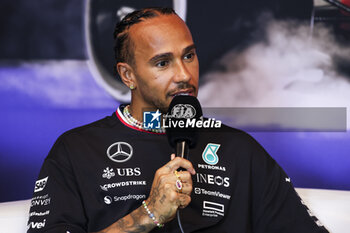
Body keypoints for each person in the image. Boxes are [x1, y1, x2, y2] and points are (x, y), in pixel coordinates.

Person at [27, 7, 329, 233]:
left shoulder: (240, 150)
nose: (184, 75)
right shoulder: (76, 149)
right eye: (162, 63)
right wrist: (149, 212)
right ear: (127, 75)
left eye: (189, 56)